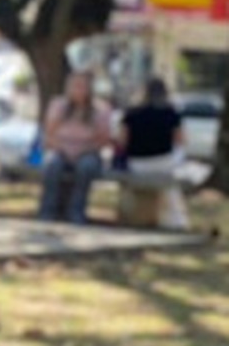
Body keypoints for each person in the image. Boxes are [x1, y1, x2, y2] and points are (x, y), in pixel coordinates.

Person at [37, 69, 112, 224]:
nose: (77, 90)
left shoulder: (100, 109)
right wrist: (62, 148)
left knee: (86, 167)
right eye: (74, 86)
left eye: (81, 86)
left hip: (87, 152)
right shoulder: (58, 106)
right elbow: (49, 133)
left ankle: (76, 212)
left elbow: (104, 139)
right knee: (52, 165)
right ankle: (47, 211)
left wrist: (84, 149)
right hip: (60, 150)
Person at [118, 77, 189, 230]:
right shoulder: (171, 112)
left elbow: (122, 141)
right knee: (171, 184)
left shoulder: (131, 113)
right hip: (164, 162)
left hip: (137, 163)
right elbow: (181, 140)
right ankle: (177, 221)